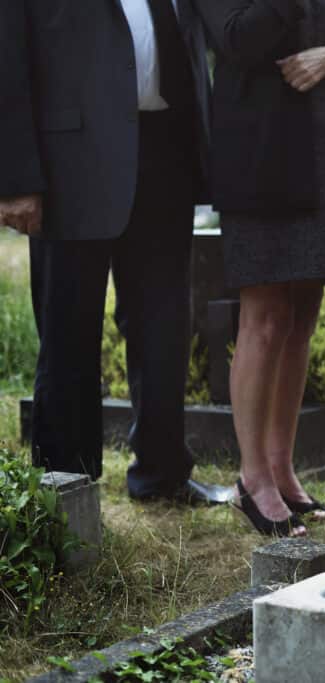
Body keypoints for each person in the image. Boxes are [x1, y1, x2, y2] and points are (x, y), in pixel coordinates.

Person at [0, 0, 231, 505]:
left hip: (165, 152)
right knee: (68, 331)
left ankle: (162, 474)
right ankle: (66, 491)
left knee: (164, 322)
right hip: (71, 163)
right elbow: (8, 57)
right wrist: (16, 179)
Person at [196, 0, 325, 536]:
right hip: (259, 153)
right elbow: (239, 39)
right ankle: (252, 478)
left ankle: (283, 468)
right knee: (264, 318)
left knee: (303, 315)